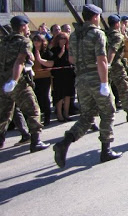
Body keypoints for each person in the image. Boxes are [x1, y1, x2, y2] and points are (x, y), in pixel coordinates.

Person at [53, 4, 121, 168]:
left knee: (87, 116)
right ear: (96, 17)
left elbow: (71, 59)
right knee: (108, 111)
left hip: (80, 79)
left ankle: (65, 142)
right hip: (95, 78)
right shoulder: (97, 34)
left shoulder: (75, 36)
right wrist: (104, 83)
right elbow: (102, 60)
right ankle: (106, 149)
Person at [0, 16, 50, 152]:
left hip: (2, 82)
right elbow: (20, 61)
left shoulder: (4, 41)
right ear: (22, 27)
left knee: (4, 114)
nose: (28, 28)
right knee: (33, 110)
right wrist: (14, 80)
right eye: (27, 26)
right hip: (17, 82)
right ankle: (36, 141)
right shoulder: (24, 41)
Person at [105, 15, 128, 122]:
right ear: (117, 24)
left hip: (104, 66)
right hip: (115, 66)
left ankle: (92, 119)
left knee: (103, 91)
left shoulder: (105, 34)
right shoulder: (117, 36)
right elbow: (113, 50)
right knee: (124, 89)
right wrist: (109, 64)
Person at [50, 32, 75, 122]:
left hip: (68, 74)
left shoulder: (69, 49)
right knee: (59, 96)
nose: (63, 40)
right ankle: (59, 115)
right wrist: (61, 53)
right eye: (61, 38)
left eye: (65, 39)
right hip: (58, 75)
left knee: (68, 95)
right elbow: (53, 62)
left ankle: (66, 114)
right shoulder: (54, 49)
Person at [32, 34, 53, 126]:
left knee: (44, 97)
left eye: (38, 40)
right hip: (33, 78)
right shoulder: (29, 51)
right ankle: (38, 118)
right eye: (35, 40)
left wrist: (40, 59)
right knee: (36, 98)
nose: (36, 42)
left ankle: (47, 117)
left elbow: (51, 64)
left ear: (43, 42)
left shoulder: (47, 52)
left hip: (44, 78)